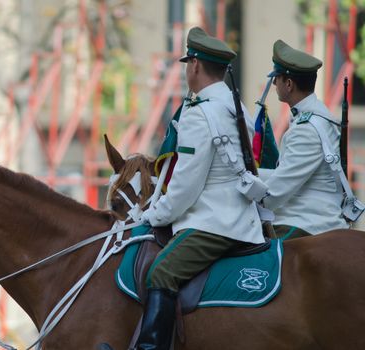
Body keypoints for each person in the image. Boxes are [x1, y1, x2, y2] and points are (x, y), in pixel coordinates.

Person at [133, 27, 266, 350]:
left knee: (160, 273)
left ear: (194, 66)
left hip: (213, 222)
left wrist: (152, 215)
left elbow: (184, 189)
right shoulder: (238, 108)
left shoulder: (199, 114)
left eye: (187, 63)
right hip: (244, 216)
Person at [259, 40, 349, 240]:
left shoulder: (306, 129)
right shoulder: (314, 117)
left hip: (306, 222)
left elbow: (275, 193)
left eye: (277, 79)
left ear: (289, 84)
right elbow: (284, 173)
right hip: (307, 216)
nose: (274, 84)